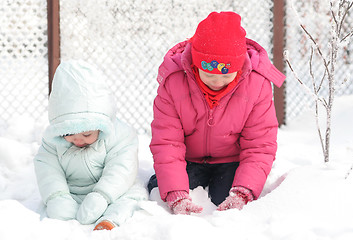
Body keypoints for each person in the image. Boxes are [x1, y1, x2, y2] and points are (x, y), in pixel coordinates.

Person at [147, 11, 285, 214]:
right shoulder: (174, 81)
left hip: (231, 161)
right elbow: (167, 142)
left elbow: (260, 145)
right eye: (209, 75)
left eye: (226, 75)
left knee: (227, 201)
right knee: (161, 188)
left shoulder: (257, 84)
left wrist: (243, 192)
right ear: (195, 64)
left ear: (239, 68)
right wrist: (176, 193)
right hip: (189, 160)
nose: (218, 82)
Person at [33, 60, 148, 230]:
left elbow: (121, 169)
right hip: (72, 192)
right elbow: (47, 168)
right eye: (68, 134)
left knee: (130, 197)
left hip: (113, 192)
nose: (78, 140)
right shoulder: (52, 140)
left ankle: (110, 220)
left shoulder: (120, 136)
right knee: (55, 207)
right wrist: (58, 196)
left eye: (86, 134)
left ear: (101, 126)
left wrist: (102, 195)